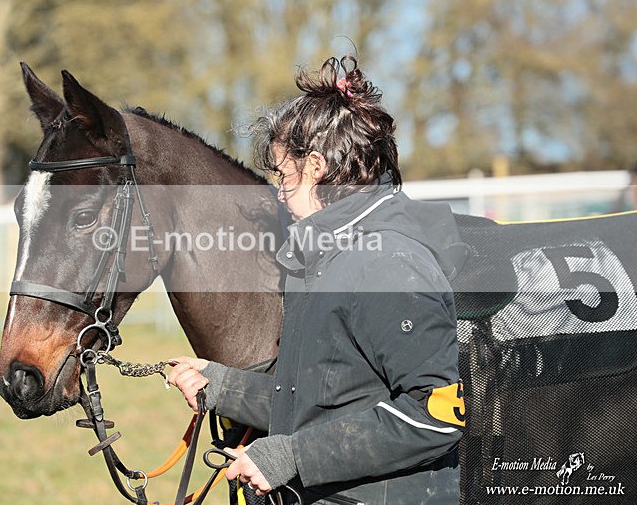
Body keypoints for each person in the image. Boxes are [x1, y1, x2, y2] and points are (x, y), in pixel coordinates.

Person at [167, 55, 468, 504]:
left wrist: (293, 456)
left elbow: (438, 414)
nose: (280, 193)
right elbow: (312, 399)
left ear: (316, 166)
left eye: (283, 175)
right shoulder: (322, 258)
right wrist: (221, 386)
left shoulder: (388, 264)